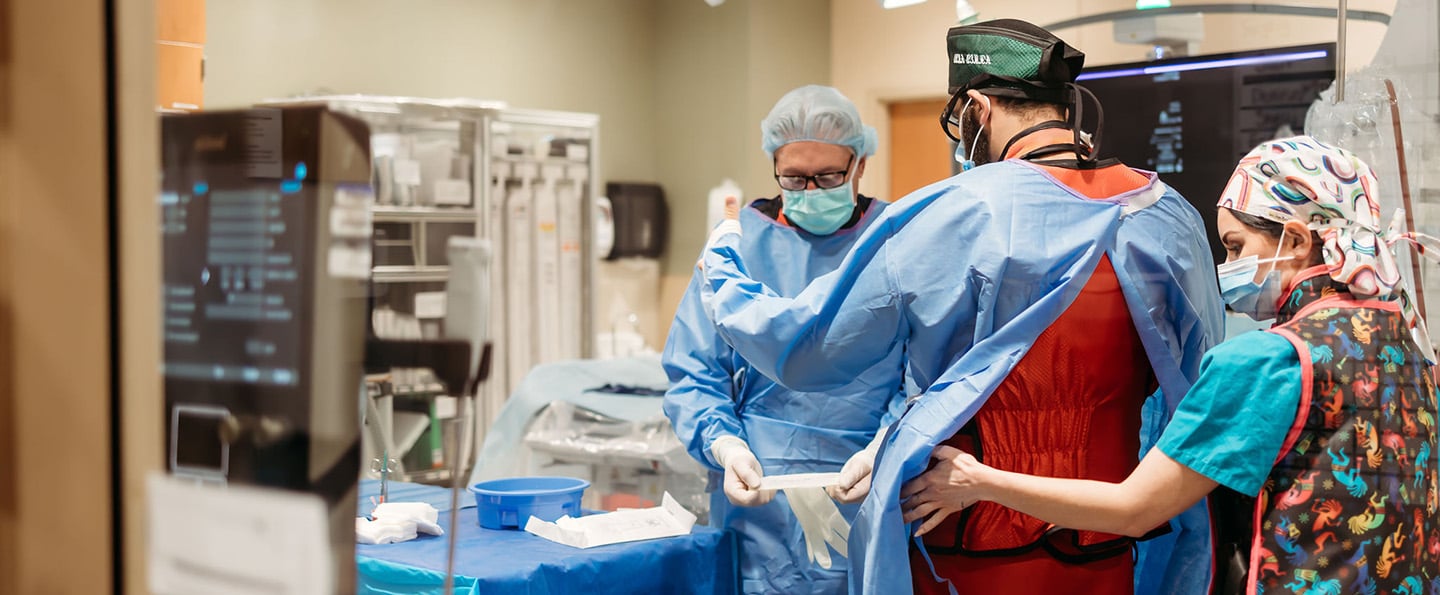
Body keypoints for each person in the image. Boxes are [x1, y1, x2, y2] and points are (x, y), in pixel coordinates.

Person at [697, 19, 1223, 595]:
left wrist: (723, 272)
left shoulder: (957, 212)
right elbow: (1198, 387)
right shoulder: (1166, 214)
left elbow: (807, 348)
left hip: (971, 550)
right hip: (1106, 543)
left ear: (976, 108)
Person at [900, 136, 1440, 595]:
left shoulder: (1267, 361)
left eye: (1235, 246)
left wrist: (976, 481)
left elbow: (1134, 509)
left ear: (1296, 240)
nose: (1228, 267)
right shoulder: (1406, 339)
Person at [663, 85, 909, 595]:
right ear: (774, 165)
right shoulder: (737, 246)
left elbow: (929, 370)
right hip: (759, 496)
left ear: (859, 164)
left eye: (828, 177)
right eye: (794, 178)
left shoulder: (898, 240)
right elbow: (695, 370)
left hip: (870, 483)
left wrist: (888, 446)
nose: (811, 192)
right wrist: (725, 447)